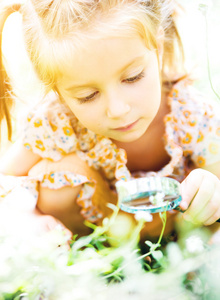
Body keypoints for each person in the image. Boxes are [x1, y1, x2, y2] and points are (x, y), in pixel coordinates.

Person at [0, 0, 219, 240]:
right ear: (59, 92)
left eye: (133, 78)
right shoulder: (58, 122)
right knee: (55, 178)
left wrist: (212, 190)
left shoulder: (192, 116)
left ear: (156, 46)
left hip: (176, 239)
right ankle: (89, 255)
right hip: (95, 237)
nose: (117, 109)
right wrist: (29, 217)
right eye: (88, 96)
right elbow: (4, 179)